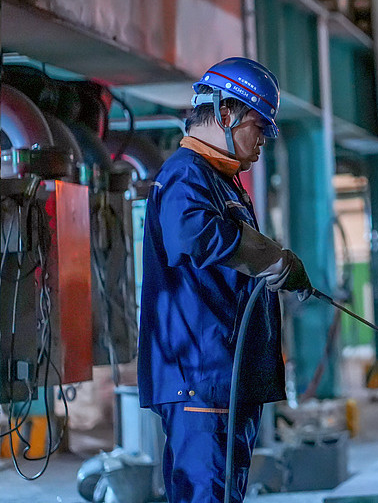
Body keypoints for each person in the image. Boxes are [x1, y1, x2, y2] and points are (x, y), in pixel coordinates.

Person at [138, 57, 313, 503]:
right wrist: (272, 258)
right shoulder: (185, 173)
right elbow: (192, 233)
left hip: (224, 375)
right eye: (259, 126)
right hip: (200, 375)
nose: (262, 143)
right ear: (227, 114)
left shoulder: (223, 181)